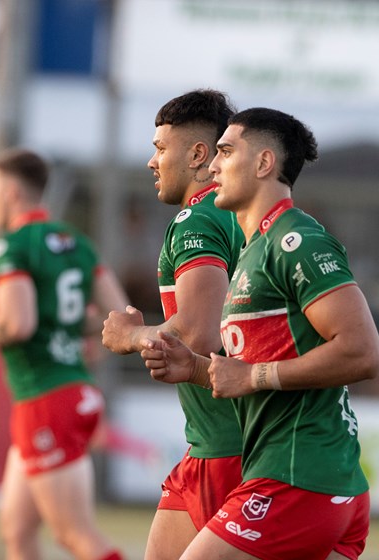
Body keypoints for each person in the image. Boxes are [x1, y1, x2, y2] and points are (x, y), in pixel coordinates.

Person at [141, 107, 379, 560]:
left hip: (299, 477)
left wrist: (254, 378)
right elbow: (253, 370)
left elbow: (363, 354)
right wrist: (193, 367)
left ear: (264, 164)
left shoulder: (297, 239)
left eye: (226, 152)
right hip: (302, 477)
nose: (213, 166)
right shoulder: (254, 249)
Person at [100, 89, 244, 560]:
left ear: (198, 154)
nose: (151, 161)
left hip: (229, 442)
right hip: (209, 441)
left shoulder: (197, 218)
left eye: (161, 148)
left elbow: (201, 332)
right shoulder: (234, 216)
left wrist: (130, 336)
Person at [0, 148, 129, 560]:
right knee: (17, 529)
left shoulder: (12, 247)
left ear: (9, 192)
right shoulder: (77, 242)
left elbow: (17, 326)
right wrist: (71, 331)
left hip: (45, 402)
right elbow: (122, 315)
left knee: (75, 536)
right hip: (73, 392)